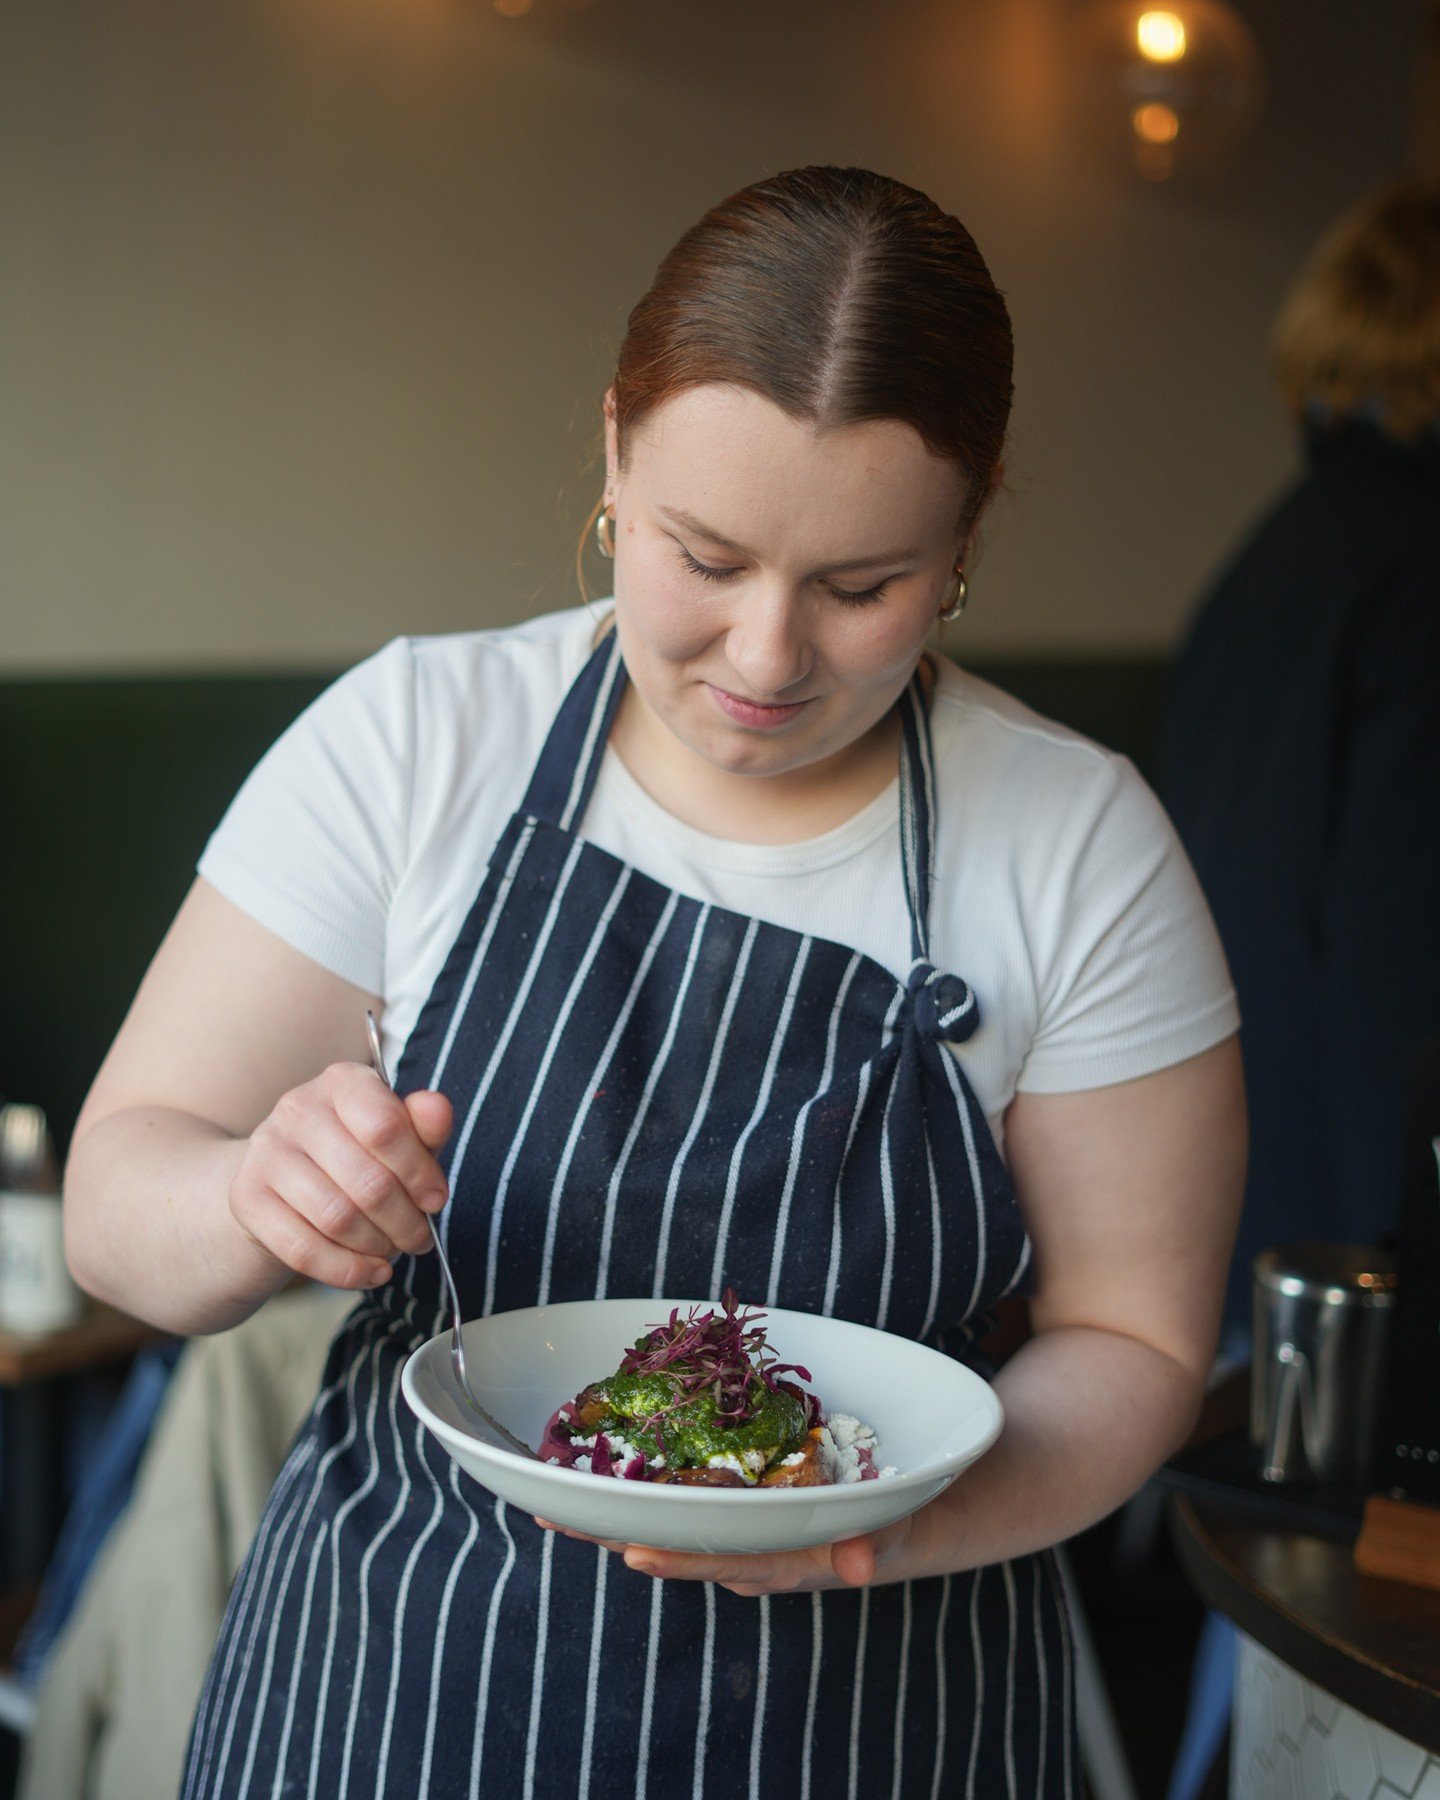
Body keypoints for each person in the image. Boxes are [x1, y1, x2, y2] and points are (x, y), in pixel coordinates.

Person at [64, 166, 1245, 1797]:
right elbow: (119, 1199)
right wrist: (255, 1201)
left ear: (966, 534)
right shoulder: (419, 742)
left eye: (861, 588)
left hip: (882, 1718)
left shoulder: (1078, 842)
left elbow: (1138, 1338)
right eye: (705, 556)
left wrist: (879, 1537)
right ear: (616, 451)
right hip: (400, 1698)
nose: (766, 659)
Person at [1161, 182, 1440, 1335]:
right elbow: (1396, 943)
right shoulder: (1422, 563)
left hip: (1230, 1164)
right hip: (1350, 1221)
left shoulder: (1281, 544)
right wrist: (1403, 1248)